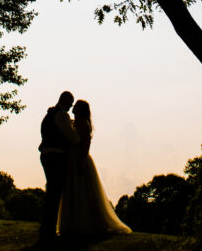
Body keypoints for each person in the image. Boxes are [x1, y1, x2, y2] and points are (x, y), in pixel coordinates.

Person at [57, 100, 132, 236]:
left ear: (81, 110)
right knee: (73, 190)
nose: (73, 108)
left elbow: (86, 144)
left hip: (79, 158)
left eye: (76, 107)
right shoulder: (75, 122)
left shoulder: (83, 123)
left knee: (81, 191)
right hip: (72, 158)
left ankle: (83, 224)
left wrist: (80, 160)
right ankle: (72, 224)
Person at [39, 90, 78, 243]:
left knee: (52, 191)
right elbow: (72, 137)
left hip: (47, 154)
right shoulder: (61, 115)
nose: (71, 107)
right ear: (66, 101)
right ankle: (48, 230)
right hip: (56, 154)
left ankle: (46, 227)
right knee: (55, 193)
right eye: (70, 103)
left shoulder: (49, 114)